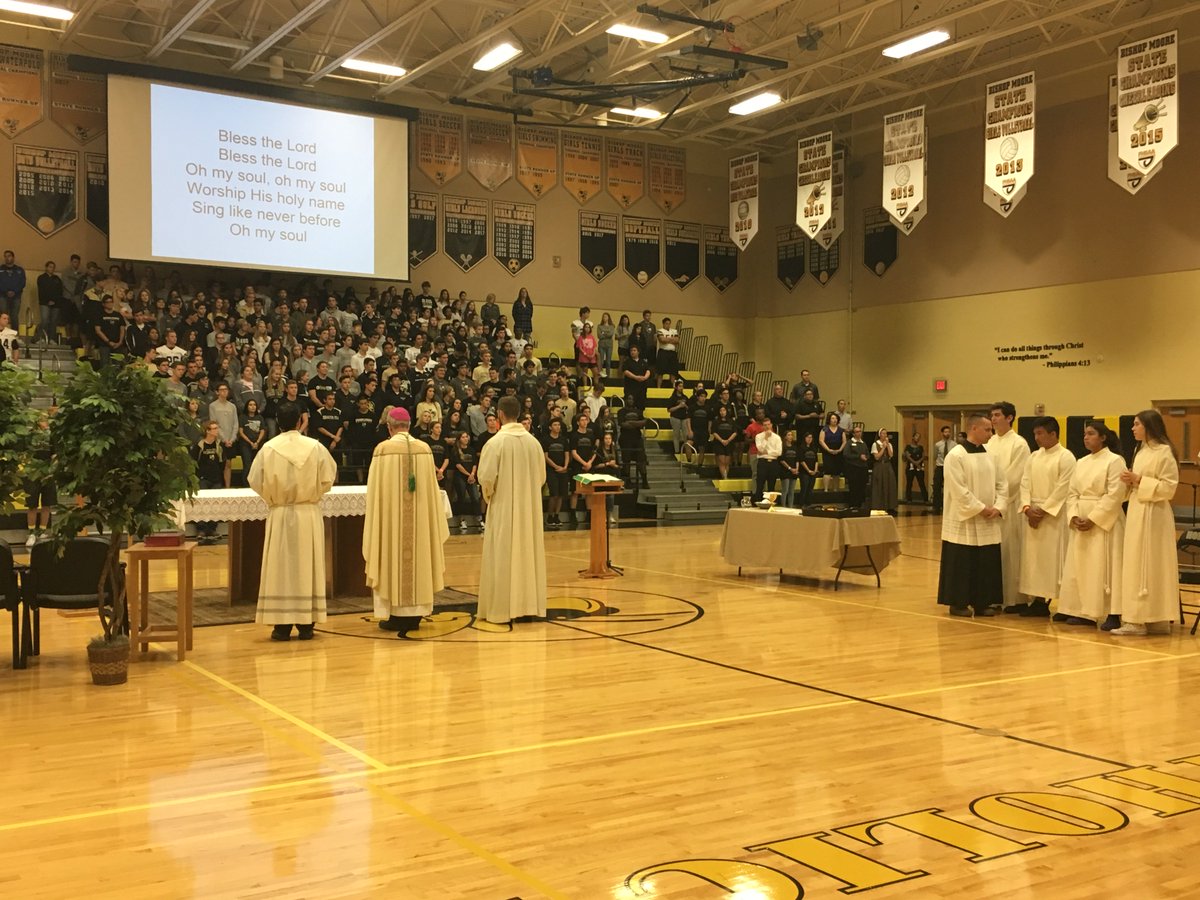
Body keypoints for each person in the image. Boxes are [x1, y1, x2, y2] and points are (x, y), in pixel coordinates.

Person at [248, 403, 338, 641]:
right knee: (306, 566)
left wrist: (273, 498)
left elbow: (255, 479)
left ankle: (281, 626)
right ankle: (307, 625)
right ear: (300, 421)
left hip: (281, 513)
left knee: (281, 568)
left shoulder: (269, 448)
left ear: (278, 422)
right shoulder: (315, 447)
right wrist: (312, 494)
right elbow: (329, 477)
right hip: (307, 513)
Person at [363, 406, 449, 636]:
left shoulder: (383, 450)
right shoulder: (425, 449)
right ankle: (417, 613)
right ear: (409, 426)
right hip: (419, 524)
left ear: (389, 427)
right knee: (419, 556)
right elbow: (432, 491)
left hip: (391, 524)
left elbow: (374, 492)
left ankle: (395, 615)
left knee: (391, 557)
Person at [477, 395, 547, 625]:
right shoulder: (534, 443)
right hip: (529, 510)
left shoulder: (495, 443)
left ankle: (502, 609)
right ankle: (527, 606)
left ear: (499, 414)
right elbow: (540, 478)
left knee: (503, 554)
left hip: (504, 508)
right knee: (527, 554)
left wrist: (490, 495)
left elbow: (486, 479)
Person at [1113, 409, 1180, 636]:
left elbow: (1169, 488)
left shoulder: (1164, 452)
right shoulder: (1140, 451)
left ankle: (1155, 618)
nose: (1133, 429)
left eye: (1136, 424)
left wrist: (1139, 479)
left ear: (1149, 426)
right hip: (1138, 510)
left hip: (1155, 515)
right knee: (1135, 562)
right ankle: (1137, 618)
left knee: (1154, 563)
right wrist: (1130, 481)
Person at [1057, 422, 1127, 628]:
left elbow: (1116, 493)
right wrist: (1074, 515)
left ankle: (1113, 612)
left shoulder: (1115, 461)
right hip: (1082, 518)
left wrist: (1095, 518)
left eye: (1091, 434)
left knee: (1107, 567)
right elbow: (1072, 493)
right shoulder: (1081, 462)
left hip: (1106, 521)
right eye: (1084, 434)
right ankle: (1085, 611)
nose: (1086, 438)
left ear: (1103, 437)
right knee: (1083, 567)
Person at [938, 415, 1007, 617]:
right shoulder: (956, 455)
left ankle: (982, 601)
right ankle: (958, 602)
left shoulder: (992, 456)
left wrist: (998, 506)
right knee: (962, 561)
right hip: (966, 519)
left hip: (988, 517)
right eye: (987, 430)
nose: (990, 433)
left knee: (985, 561)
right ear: (974, 428)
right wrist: (980, 508)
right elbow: (957, 489)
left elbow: (1003, 484)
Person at [1015, 417, 1076, 618]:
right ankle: (1038, 601)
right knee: (1034, 561)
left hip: (1053, 516)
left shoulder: (1066, 457)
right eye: (1035, 434)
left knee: (1055, 560)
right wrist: (1027, 508)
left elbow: (1063, 488)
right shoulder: (1033, 457)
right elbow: (1024, 483)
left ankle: (1063, 604)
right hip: (1033, 513)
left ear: (1053, 434)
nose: (1037, 438)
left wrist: (1042, 511)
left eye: (1040, 433)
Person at [986, 401, 1031, 613]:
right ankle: (993, 595)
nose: (993, 419)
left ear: (1009, 417)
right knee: (994, 553)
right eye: (992, 415)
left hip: (1009, 505)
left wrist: (999, 500)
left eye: (997, 415)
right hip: (989, 504)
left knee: (1011, 551)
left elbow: (1015, 477)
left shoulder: (1019, 444)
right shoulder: (989, 442)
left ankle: (1014, 599)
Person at [753, 418, 781, 503]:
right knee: (760, 484)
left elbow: (779, 452)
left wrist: (767, 452)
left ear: (771, 425)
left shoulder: (777, 437)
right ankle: (758, 503)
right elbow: (760, 449)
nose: (767, 426)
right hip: (763, 462)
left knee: (771, 485)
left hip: (773, 463)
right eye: (765, 425)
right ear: (762, 426)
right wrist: (765, 438)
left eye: (768, 424)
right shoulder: (759, 436)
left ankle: (770, 504)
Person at [871, 428, 898, 514]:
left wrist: (887, 446)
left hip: (887, 466)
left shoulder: (889, 444)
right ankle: (879, 505)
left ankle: (890, 506)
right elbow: (877, 457)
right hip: (879, 466)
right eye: (883, 433)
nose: (885, 435)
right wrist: (883, 448)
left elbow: (890, 455)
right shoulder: (875, 444)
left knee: (890, 485)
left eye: (886, 434)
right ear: (879, 435)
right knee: (879, 485)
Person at [844, 425, 871, 509]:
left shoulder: (863, 443)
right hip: (853, 468)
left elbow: (867, 454)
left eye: (860, 431)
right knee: (854, 487)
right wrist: (858, 456)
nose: (859, 433)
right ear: (853, 433)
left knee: (861, 487)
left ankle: (860, 504)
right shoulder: (849, 443)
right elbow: (846, 454)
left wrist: (866, 457)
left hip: (863, 468)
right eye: (857, 432)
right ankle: (853, 505)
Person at [818, 411, 845, 492]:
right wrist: (828, 449)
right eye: (833, 418)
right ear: (829, 420)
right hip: (827, 452)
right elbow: (821, 440)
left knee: (836, 472)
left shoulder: (841, 430)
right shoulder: (824, 429)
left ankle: (835, 488)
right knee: (828, 470)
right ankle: (826, 489)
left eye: (836, 418)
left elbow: (844, 441)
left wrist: (840, 449)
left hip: (838, 451)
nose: (834, 420)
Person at [932, 425, 955, 514]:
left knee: (950, 487)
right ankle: (936, 506)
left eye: (948, 432)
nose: (947, 433)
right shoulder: (938, 444)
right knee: (937, 487)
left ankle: (949, 506)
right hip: (940, 467)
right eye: (945, 432)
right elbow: (934, 456)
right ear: (942, 433)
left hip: (950, 468)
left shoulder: (954, 444)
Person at [622, 344, 651, 412]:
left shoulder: (643, 362)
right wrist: (635, 377)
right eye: (631, 350)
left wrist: (644, 377)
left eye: (634, 350)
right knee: (630, 406)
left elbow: (648, 370)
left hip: (641, 388)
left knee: (641, 406)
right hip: (630, 388)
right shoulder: (627, 362)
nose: (632, 352)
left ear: (638, 352)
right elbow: (625, 371)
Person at [903, 432, 928, 504]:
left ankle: (925, 499)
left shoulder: (920, 447)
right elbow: (907, 456)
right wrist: (915, 463)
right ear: (913, 437)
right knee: (909, 483)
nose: (918, 438)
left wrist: (918, 462)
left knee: (921, 483)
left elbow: (923, 456)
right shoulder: (908, 447)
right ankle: (909, 499)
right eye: (916, 436)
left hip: (919, 468)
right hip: (910, 468)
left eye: (919, 437)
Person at [656, 317, 679, 387]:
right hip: (663, 352)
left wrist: (667, 339)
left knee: (673, 372)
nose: (668, 325)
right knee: (660, 372)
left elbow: (677, 340)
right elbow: (662, 340)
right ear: (663, 324)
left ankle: (673, 387)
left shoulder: (674, 331)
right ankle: (658, 388)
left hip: (672, 353)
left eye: (669, 324)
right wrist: (672, 339)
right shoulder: (660, 330)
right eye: (666, 323)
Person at [779, 430, 800, 508]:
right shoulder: (782, 447)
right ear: (785, 437)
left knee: (792, 491)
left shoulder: (795, 447)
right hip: (785, 471)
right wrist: (790, 468)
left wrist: (796, 469)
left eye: (791, 435)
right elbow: (781, 460)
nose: (790, 436)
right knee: (785, 490)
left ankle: (790, 506)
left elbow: (797, 459)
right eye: (788, 435)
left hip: (794, 471)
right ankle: (783, 506)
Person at [799, 431, 820, 506]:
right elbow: (801, 460)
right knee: (804, 488)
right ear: (804, 438)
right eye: (808, 437)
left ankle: (808, 503)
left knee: (810, 489)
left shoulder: (814, 448)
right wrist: (808, 470)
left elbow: (816, 460)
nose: (809, 439)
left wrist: (815, 470)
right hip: (804, 472)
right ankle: (801, 503)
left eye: (811, 437)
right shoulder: (801, 448)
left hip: (813, 471)